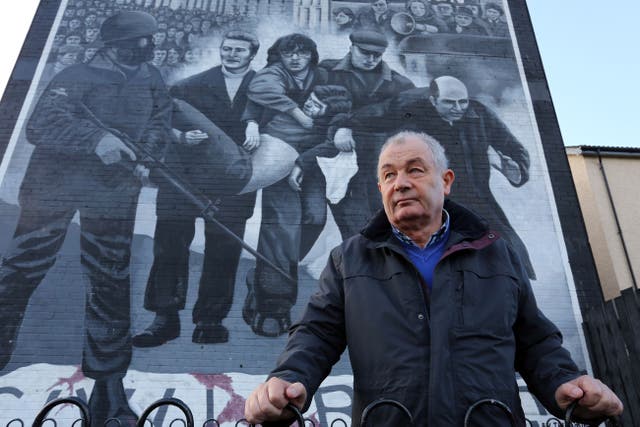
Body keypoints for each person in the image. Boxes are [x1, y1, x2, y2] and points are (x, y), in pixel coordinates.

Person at [244, 131, 624, 426]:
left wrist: (565, 383)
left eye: (415, 169)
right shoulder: (349, 260)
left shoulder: (496, 253)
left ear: (445, 181)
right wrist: (289, 378)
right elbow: (316, 333)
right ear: (380, 190)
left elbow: (534, 339)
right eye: (389, 175)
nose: (401, 182)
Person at [0, 11, 172, 427]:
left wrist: (147, 155)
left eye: (151, 39)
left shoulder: (151, 77)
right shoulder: (76, 74)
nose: (150, 47)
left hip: (112, 194)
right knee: (22, 269)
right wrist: (95, 138)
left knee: (110, 284)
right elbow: (41, 125)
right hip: (52, 189)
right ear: (116, 44)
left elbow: (159, 120)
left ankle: (109, 390)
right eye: (142, 40)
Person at [132, 30, 260, 347]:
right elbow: (156, 120)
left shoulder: (266, 89)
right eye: (226, 48)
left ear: (252, 55)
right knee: (169, 248)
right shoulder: (191, 85)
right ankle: (164, 319)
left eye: (239, 51)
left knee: (223, 251)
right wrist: (179, 137)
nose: (231, 54)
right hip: (184, 178)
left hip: (233, 185)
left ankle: (210, 321)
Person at [346, 75, 537, 279]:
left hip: (475, 193)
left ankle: (516, 289)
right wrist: (343, 127)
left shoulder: (478, 113)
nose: (458, 108)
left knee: (507, 245)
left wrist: (516, 170)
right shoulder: (410, 108)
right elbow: (371, 116)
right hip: (428, 196)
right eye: (449, 102)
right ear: (433, 100)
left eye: (462, 101)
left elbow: (514, 148)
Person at [241, 33, 328, 337]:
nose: (294, 58)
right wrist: (254, 122)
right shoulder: (273, 74)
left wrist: (305, 161)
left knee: (315, 219)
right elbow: (258, 95)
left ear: (311, 56)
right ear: (279, 56)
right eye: (288, 53)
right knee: (281, 228)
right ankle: (273, 306)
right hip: (277, 156)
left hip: (313, 158)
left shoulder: (323, 76)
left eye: (301, 53)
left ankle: (266, 273)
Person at [319, 30, 415, 240]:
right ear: (351, 47)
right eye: (365, 53)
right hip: (336, 160)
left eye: (377, 55)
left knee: (384, 219)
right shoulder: (326, 71)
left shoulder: (400, 84)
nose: (371, 59)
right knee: (352, 222)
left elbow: (411, 123)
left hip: (379, 163)